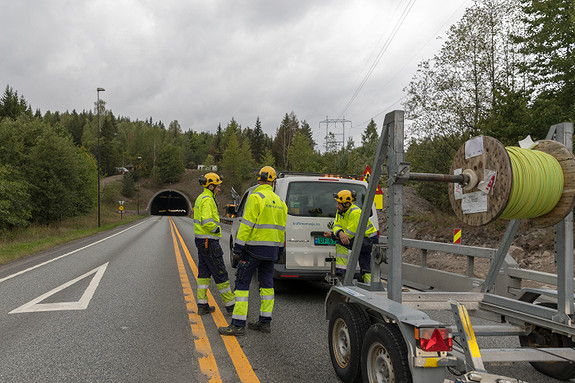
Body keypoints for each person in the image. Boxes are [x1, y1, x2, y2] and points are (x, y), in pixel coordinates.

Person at [218, 166, 287, 336]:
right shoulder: (280, 202)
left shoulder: (256, 197)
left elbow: (246, 225)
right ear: (273, 182)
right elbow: (281, 229)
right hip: (271, 252)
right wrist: (279, 250)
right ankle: (265, 322)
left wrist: (238, 248)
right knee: (267, 286)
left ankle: (238, 324)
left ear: (258, 180)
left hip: (254, 250)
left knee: (242, 284)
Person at [193, 172, 235, 315]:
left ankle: (202, 305)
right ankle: (232, 307)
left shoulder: (202, 197)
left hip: (202, 241)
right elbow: (206, 220)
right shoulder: (208, 199)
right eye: (217, 186)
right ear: (210, 186)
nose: (219, 189)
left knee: (204, 274)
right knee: (221, 273)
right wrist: (217, 229)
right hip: (209, 241)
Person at [323, 189, 378, 283]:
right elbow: (336, 226)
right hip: (362, 240)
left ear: (347, 204)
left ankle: (340, 273)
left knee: (341, 243)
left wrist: (333, 236)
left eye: (339, 203)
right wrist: (339, 232)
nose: (337, 206)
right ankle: (369, 284)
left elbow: (348, 236)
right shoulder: (340, 211)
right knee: (365, 264)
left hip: (368, 240)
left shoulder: (355, 213)